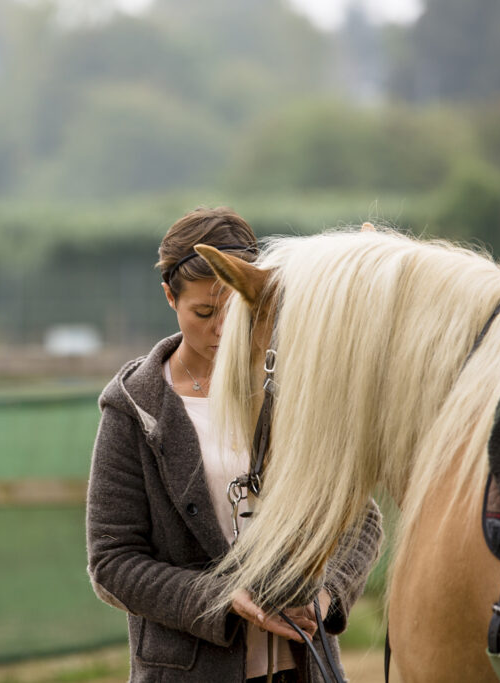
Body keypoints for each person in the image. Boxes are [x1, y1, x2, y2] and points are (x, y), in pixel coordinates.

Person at [86, 207, 383, 682]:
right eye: (203, 312)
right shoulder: (133, 410)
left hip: (306, 668)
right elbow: (112, 561)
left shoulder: (292, 390)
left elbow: (359, 519)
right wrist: (222, 601)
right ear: (169, 297)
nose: (222, 329)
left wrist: (327, 598)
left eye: (234, 311)